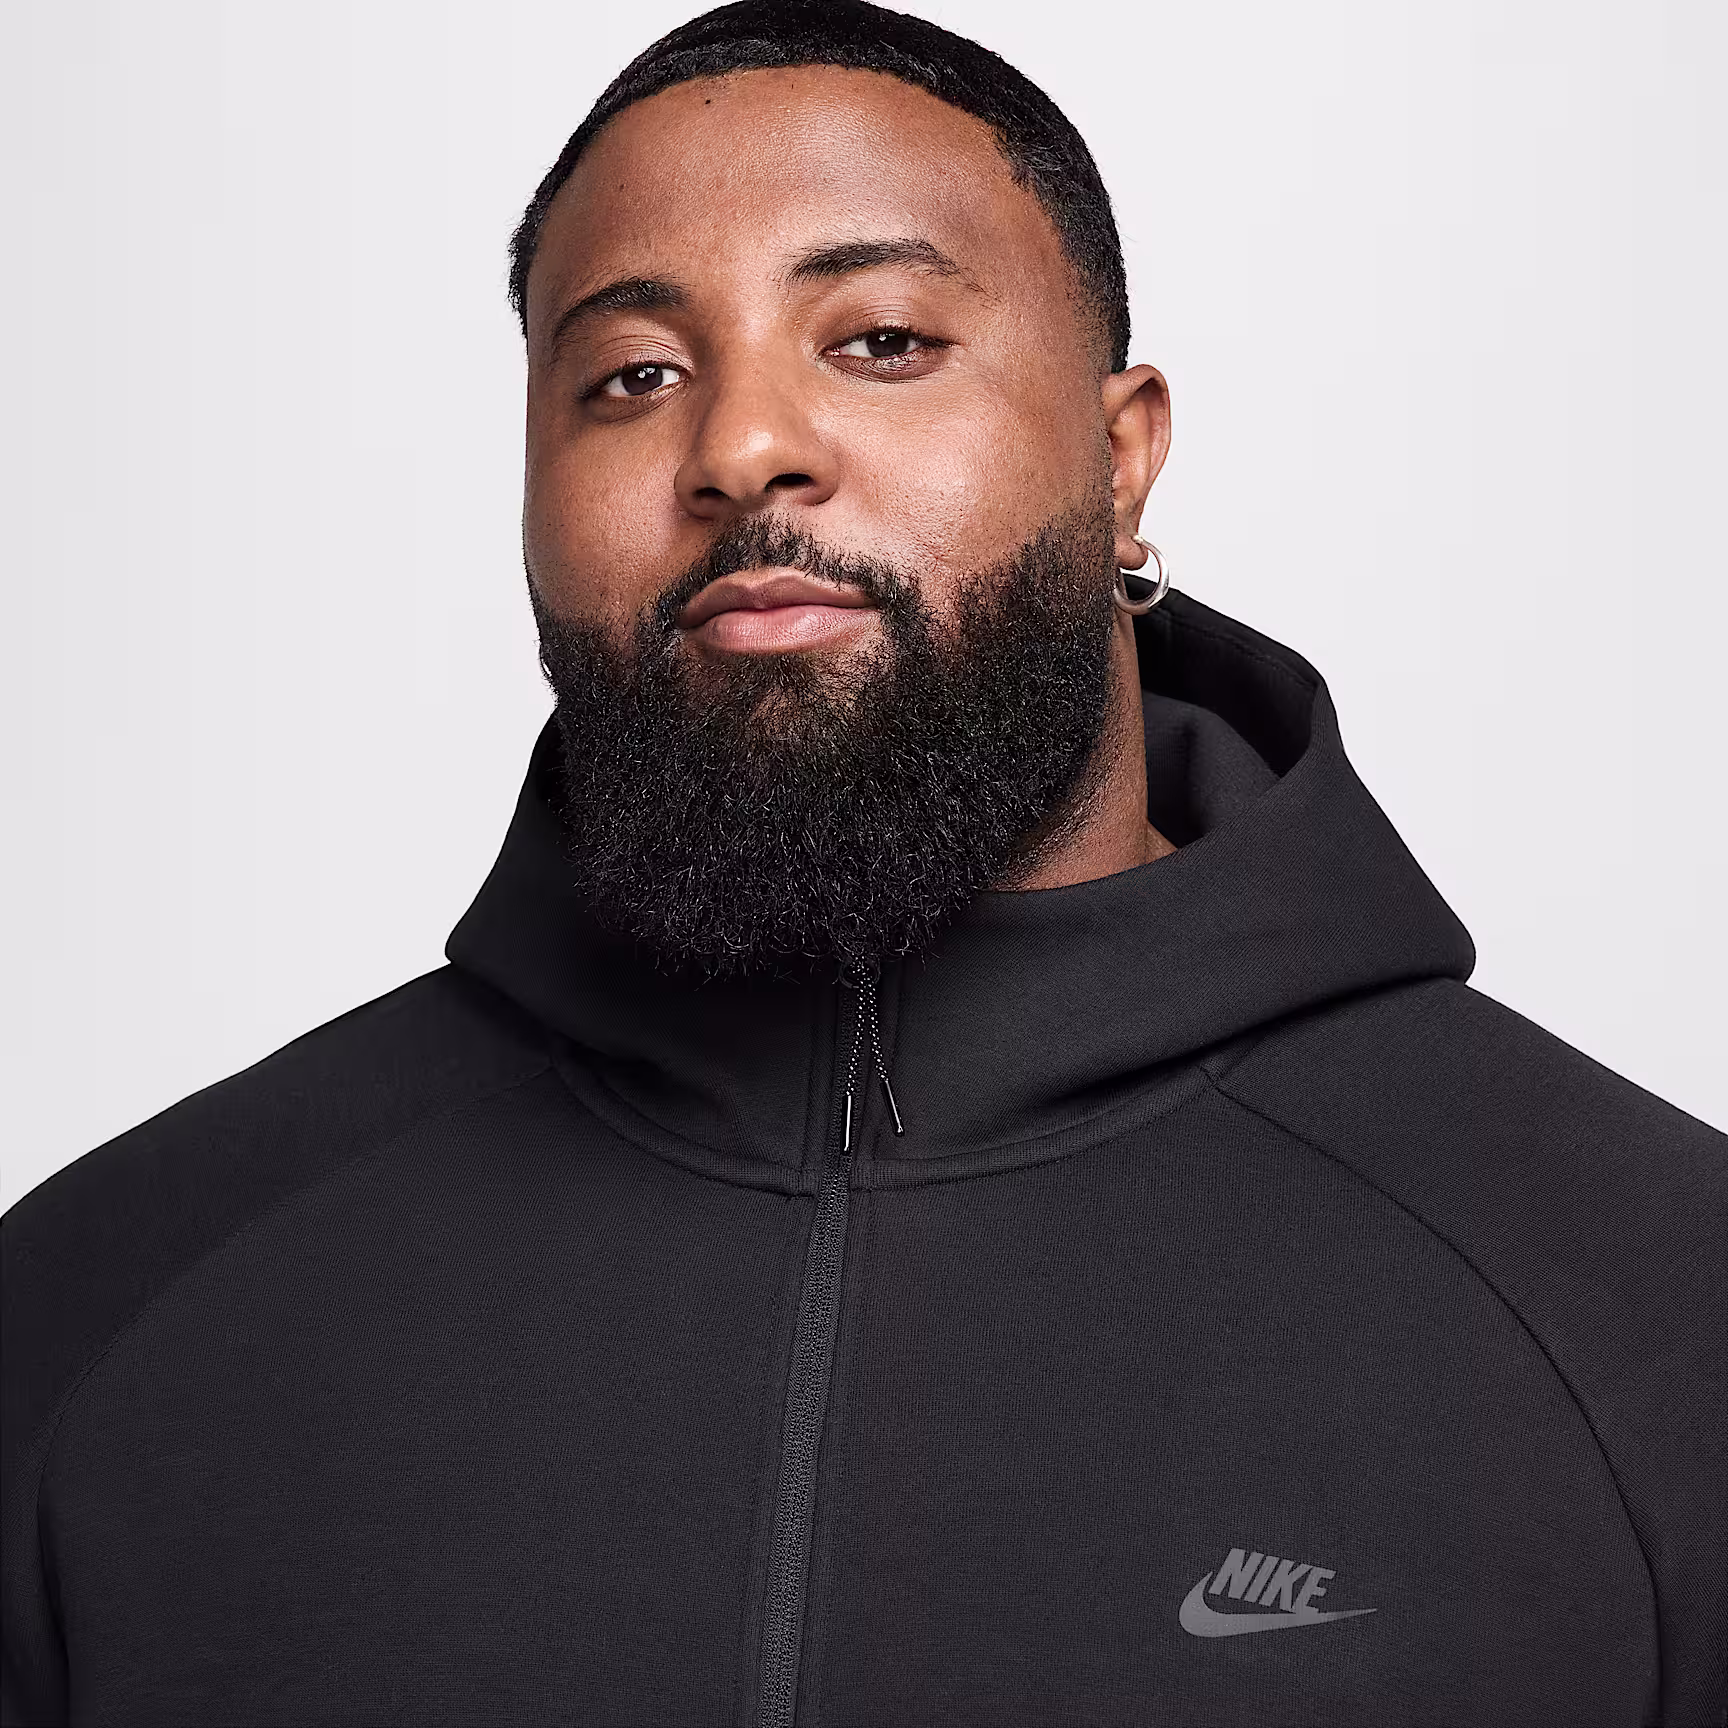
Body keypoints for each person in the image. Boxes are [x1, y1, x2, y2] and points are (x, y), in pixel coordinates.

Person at [3, 1, 1723, 1722]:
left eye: (883, 339)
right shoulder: (105, 1308)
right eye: (633, 376)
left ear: (1122, 458)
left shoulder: (1656, 1308)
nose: (740, 447)